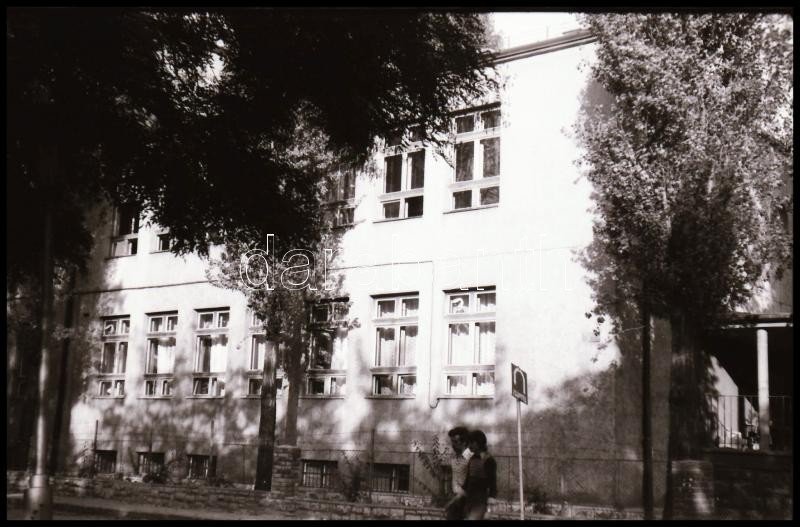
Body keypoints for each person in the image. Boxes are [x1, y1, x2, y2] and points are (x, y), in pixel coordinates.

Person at [463, 429, 497, 520]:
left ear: (479, 443)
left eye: (471, 443)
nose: (469, 446)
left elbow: (493, 484)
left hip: (480, 502)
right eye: (468, 443)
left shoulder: (489, 460)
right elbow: (468, 479)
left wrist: (489, 510)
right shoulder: (472, 459)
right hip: (469, 500)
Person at [444, 426, 471, 520]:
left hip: (467, 501)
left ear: (464, 442)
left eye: (455, 442)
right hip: (454, 500)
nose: (453, 445)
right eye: (452, 441)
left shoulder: (472, 458)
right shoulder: (453, 457)